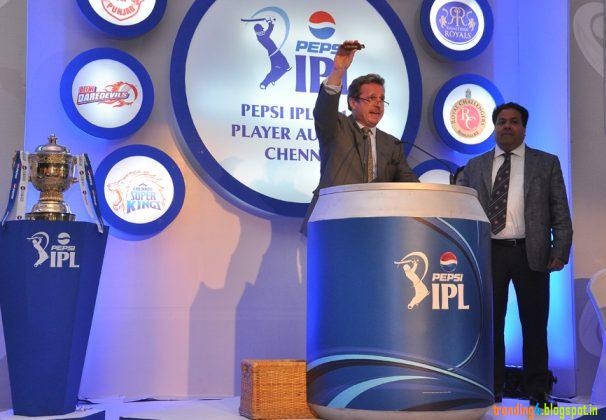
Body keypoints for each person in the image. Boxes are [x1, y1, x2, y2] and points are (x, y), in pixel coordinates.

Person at [457, 102, 573, 407]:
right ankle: (492, 387)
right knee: (491, 324)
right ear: (494, 128)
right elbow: (462, 209)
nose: (507, 126)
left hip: (531, 252)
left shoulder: (546, 163)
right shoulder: (475, 165)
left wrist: (560, 249)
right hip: (489, 254)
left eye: (514, 121)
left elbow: (560, 210)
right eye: (502, 122)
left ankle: (538, 389)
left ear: (524, 128)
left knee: (534, 325)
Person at [302, 40, 418, 232]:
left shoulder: (392, 144)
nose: (378, 104)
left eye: (381, 99)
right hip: (333, 223)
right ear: (353, 102)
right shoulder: (336, 127)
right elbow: (324, 110)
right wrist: (338, 71)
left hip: (377, 227)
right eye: (371, 98)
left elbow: (410, 184)